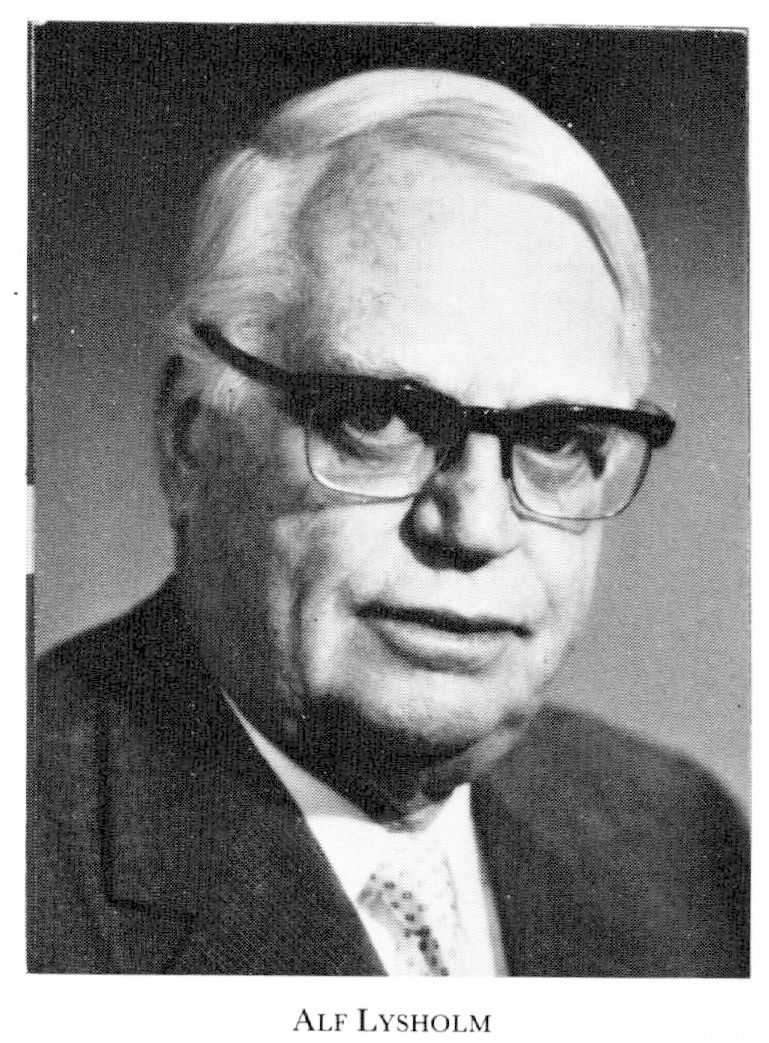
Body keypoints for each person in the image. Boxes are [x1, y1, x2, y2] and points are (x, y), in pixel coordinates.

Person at [29, 67, 748, 976]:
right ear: (191, 440)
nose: (474, 527)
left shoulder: (683, 843)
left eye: (556, 439)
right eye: (378, 421)